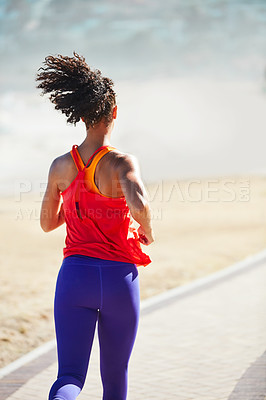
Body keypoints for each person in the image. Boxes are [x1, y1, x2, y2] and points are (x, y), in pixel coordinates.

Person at [36, 52, 154, 400]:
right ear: (113, 112)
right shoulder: (121, 163)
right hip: (119, 279)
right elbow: (141, 204)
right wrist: (146, 229)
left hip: (74, 276)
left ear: (81, 114)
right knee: (115, 376)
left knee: (70, 376)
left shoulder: (60, 166)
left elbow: (47, 224)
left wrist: (75, 209)